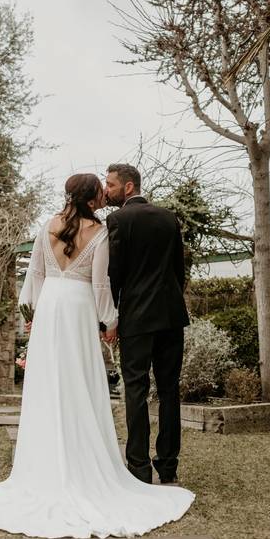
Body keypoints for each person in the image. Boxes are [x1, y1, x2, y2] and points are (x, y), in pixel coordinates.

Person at [0, 173, 194, 539]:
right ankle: (160, 466)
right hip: (86, 308)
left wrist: (33, 313)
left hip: (52, 309)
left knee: (49, 387)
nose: (107, 193)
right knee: (91, 385)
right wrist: (110, 320)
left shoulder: (48, 225)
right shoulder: (104, 230)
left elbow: (35, 274)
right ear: (92, 198)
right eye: (102, 190)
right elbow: (102, 283)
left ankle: (55, 466)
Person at [104, 163, 190, 484]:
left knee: (136, 390)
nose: (106, 190)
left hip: (136, 317)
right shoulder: (170, 218)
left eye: (110, 185)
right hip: (171, 316)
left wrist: (110, 315)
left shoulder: (118, 220)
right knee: (169, 391)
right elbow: (179, 272)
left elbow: (115, 274)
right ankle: (168, 466)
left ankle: (138, 468)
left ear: (128, 187)